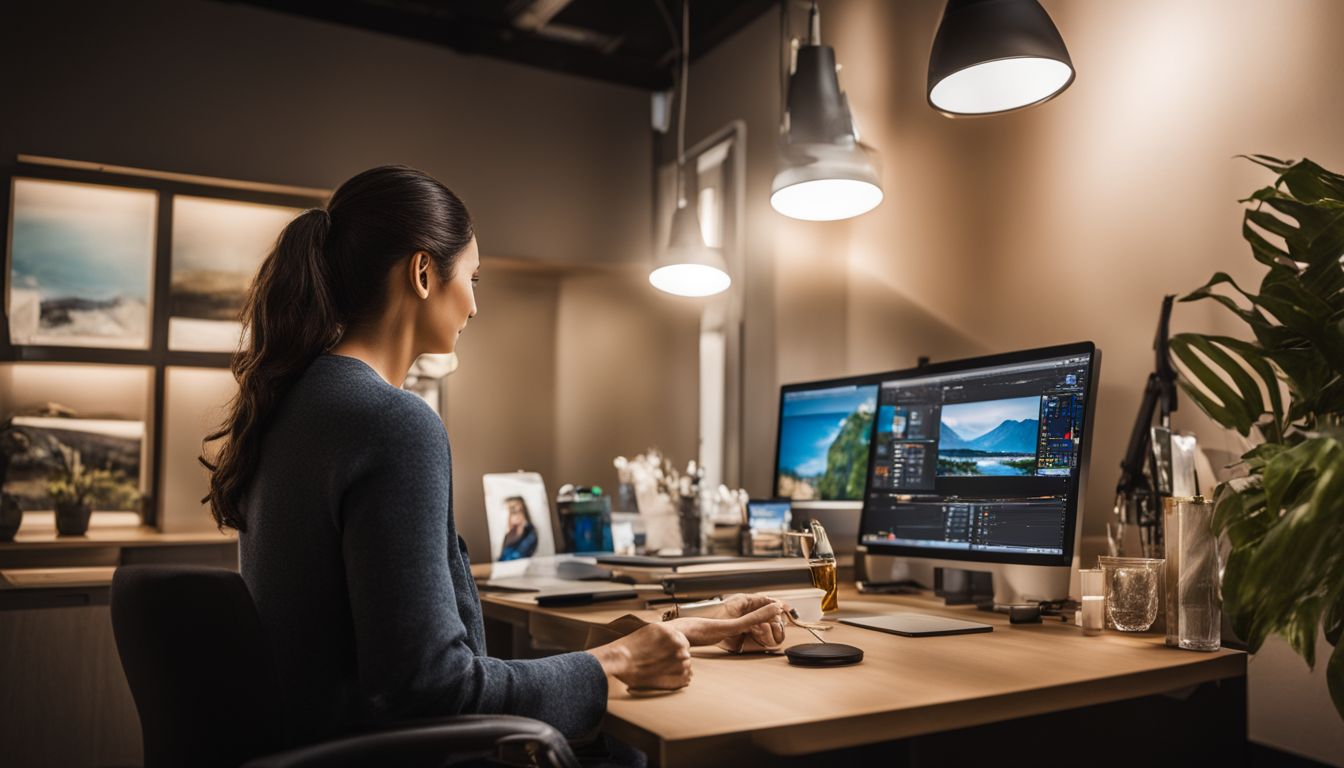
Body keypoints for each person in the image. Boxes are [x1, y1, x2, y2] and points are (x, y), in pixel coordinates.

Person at [202, 165, 786, 758]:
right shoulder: (392, 423)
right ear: (423, 273)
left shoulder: (294, 406)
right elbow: (428, 689)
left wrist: (648, 637)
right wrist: (614, 662)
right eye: (473, 278)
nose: (475, 307)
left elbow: (415, 659)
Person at [498, 496, 538, 561]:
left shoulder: (530, 532)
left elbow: (518, 556)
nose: (508, 516)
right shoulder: (508, 534)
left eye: (513, 511)